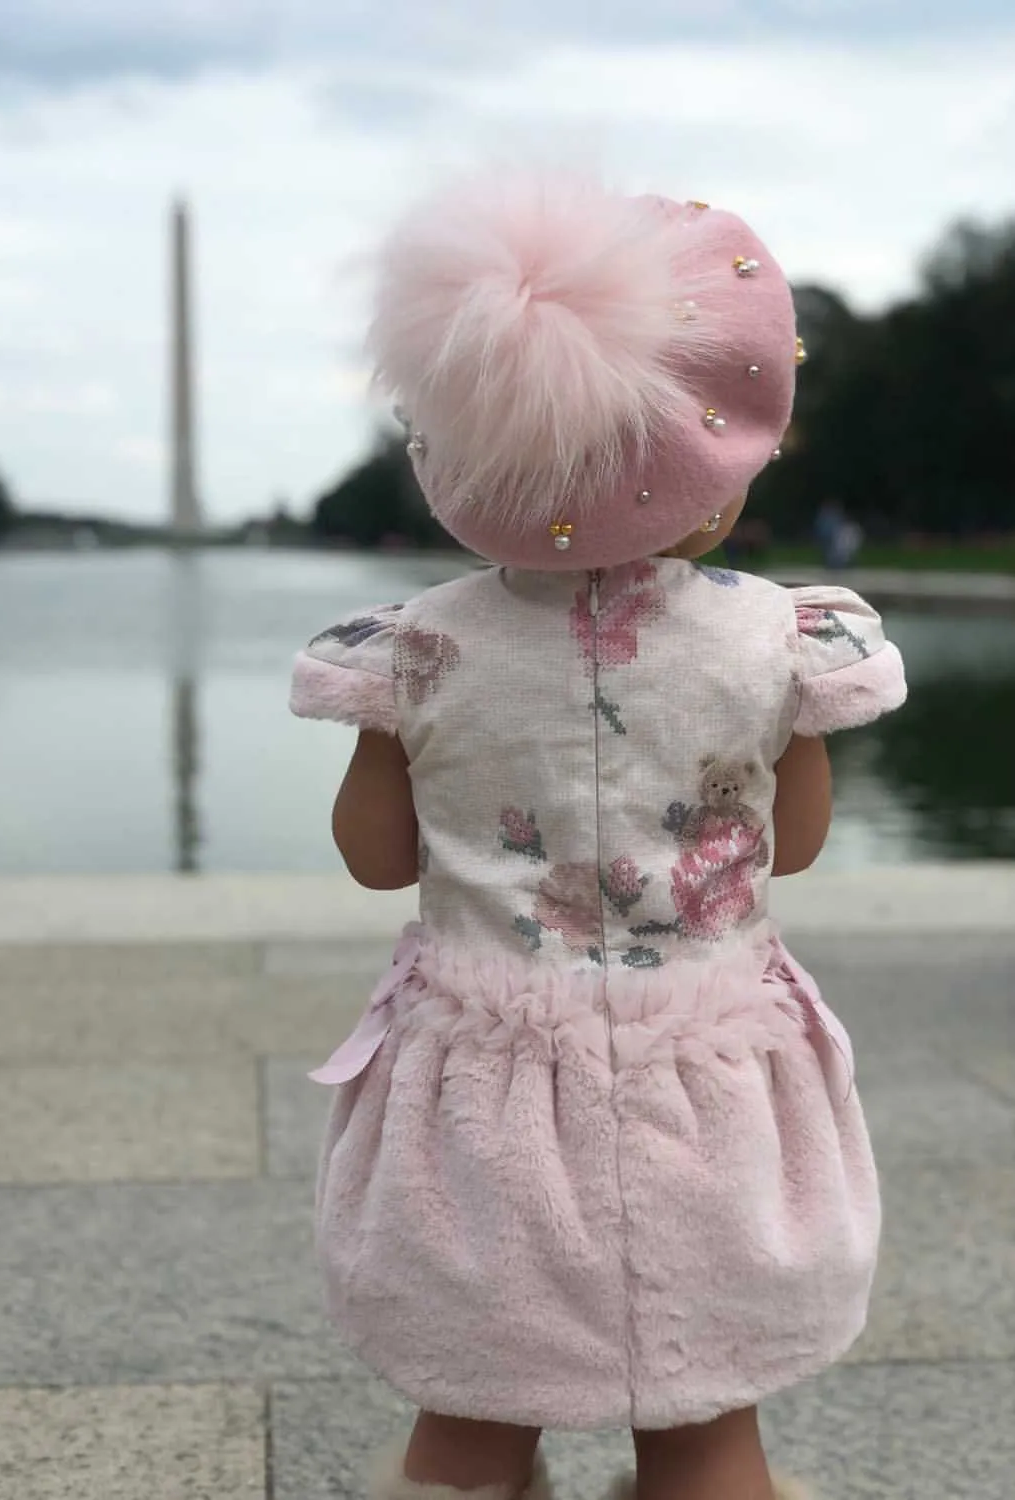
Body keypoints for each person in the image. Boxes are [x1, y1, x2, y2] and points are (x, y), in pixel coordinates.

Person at [290, 172, 907, 1500]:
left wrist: (390, 742)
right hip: (712, 1081)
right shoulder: (771, 641)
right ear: (709, 464)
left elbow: (374, 855)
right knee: (701, 1422)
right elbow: (789, 846)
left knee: (472, 1413)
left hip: (486, 1086)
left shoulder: (420, 651)